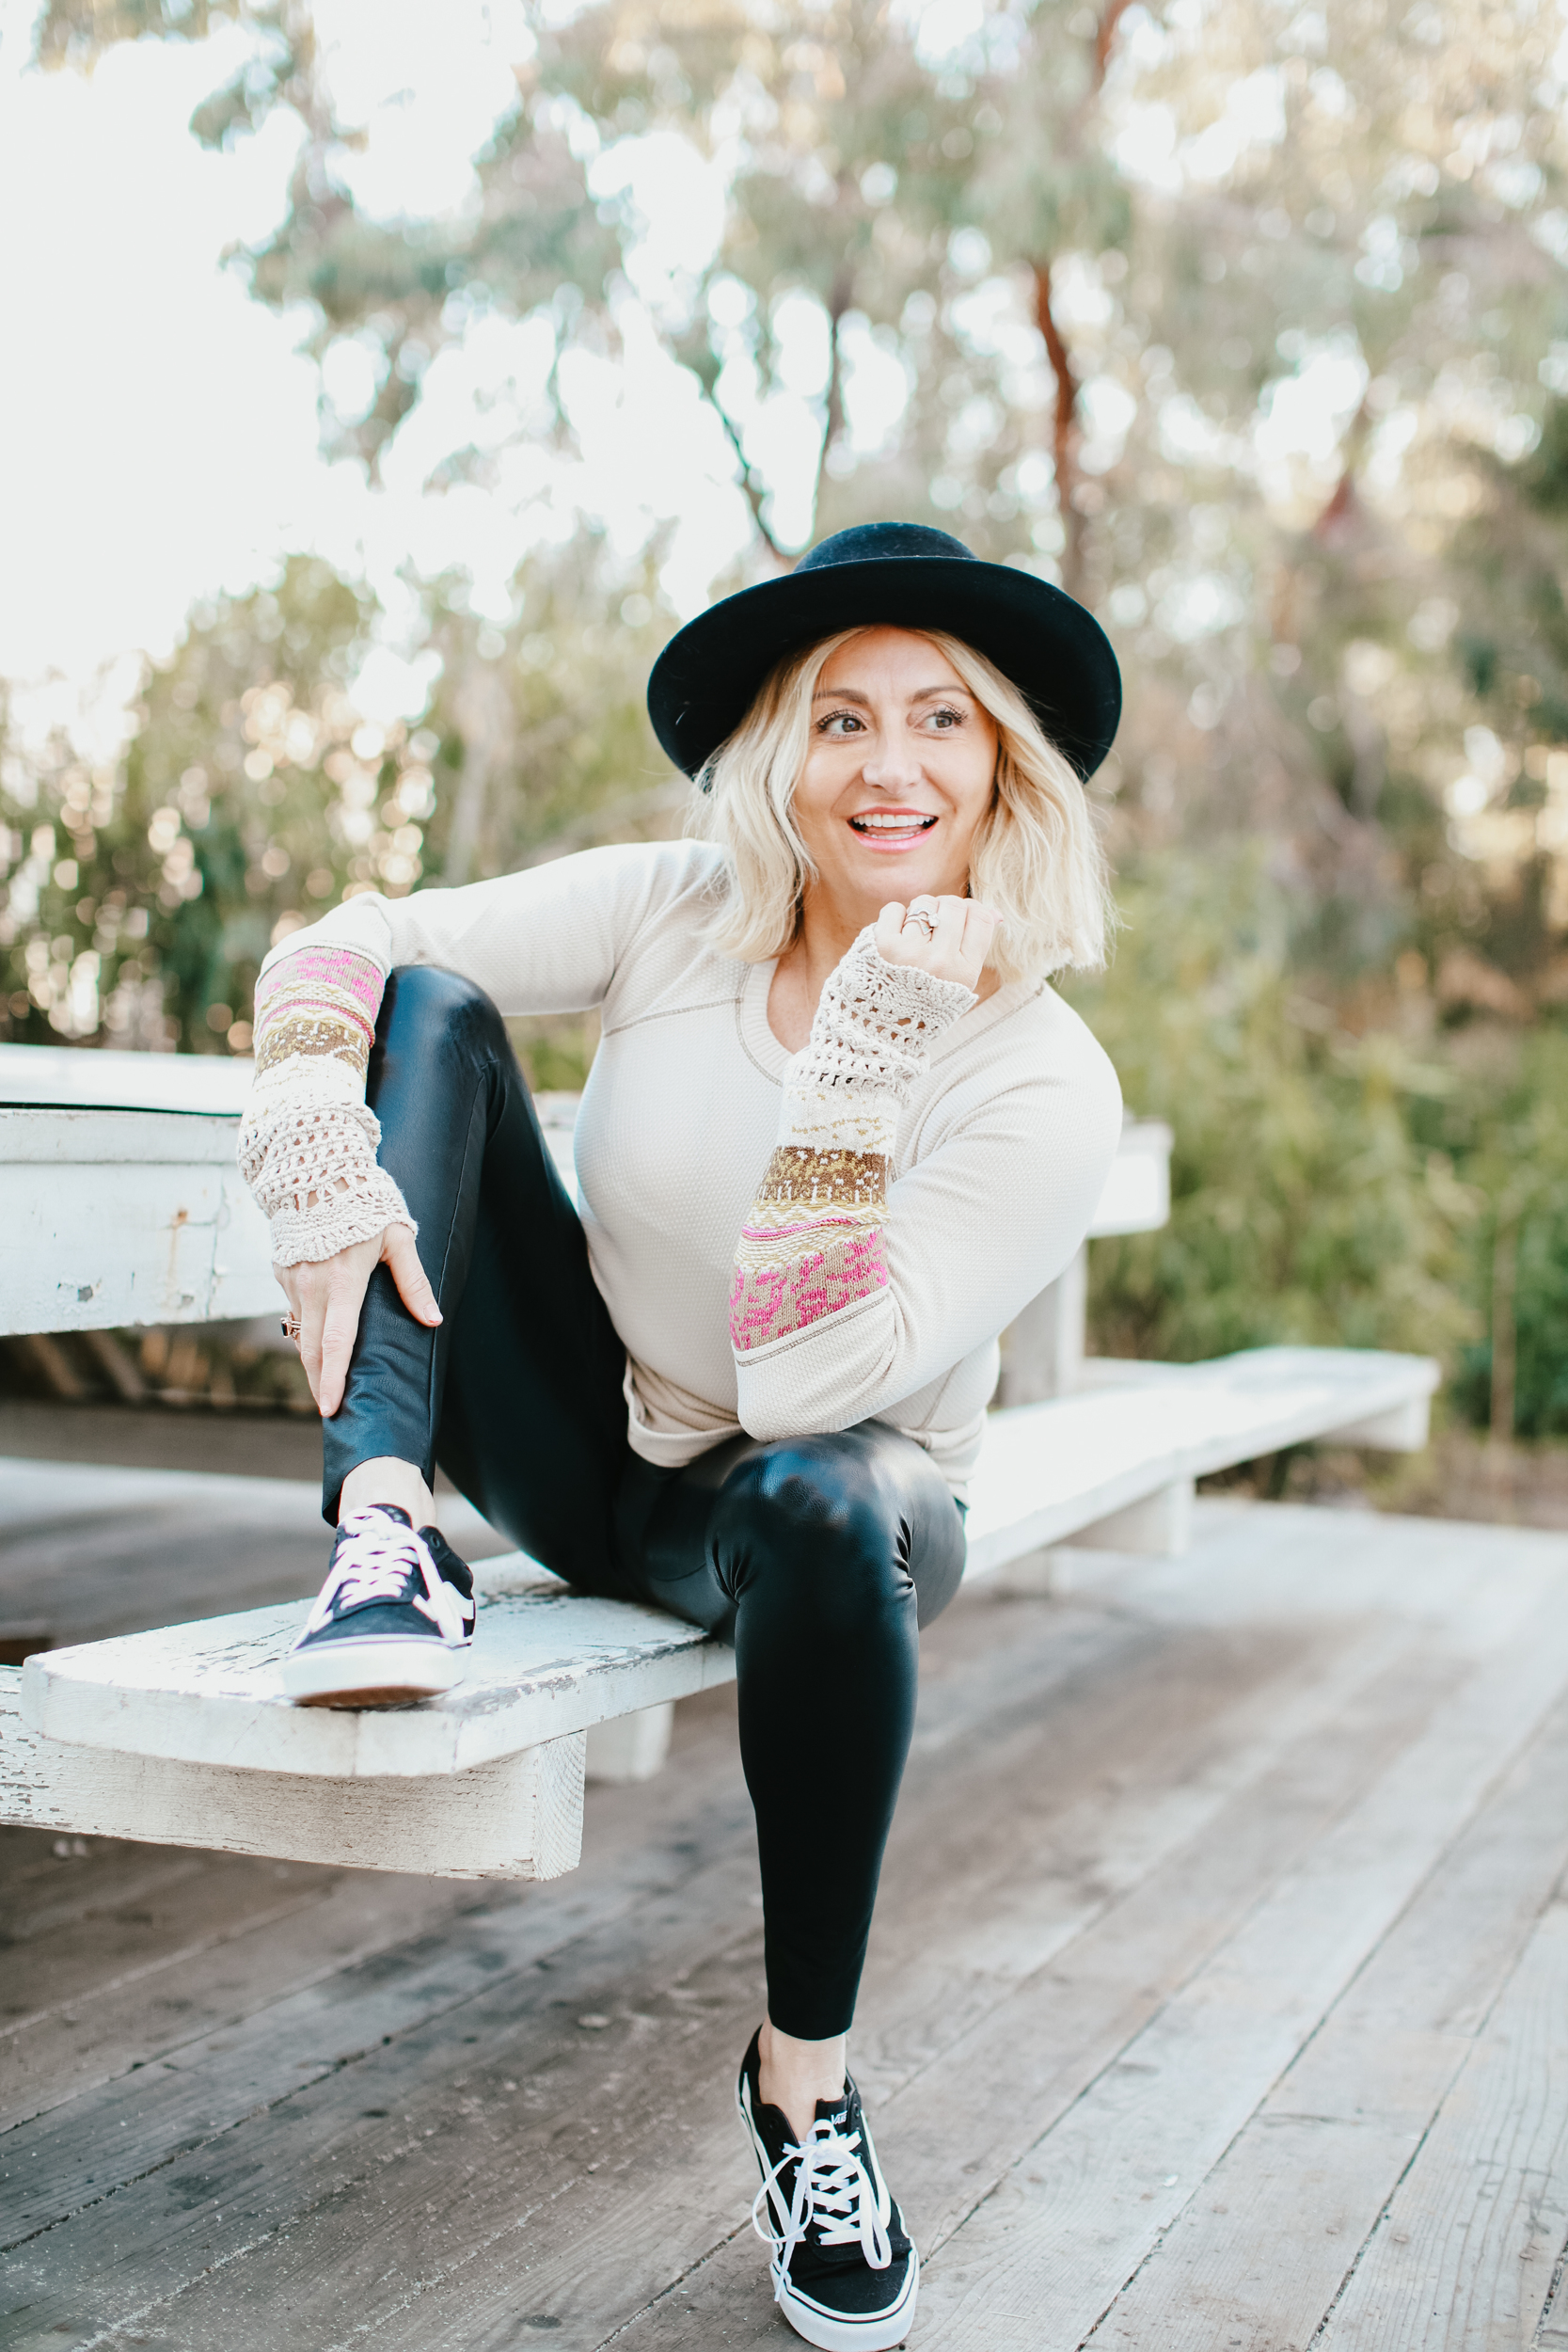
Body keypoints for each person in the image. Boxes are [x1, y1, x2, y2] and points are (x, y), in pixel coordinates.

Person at [237, 520, 1123, 2350]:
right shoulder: (674, 911)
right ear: (779, 755)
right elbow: (356, 936)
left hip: (836, 1510)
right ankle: (382, 1526)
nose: (891, 766)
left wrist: (870, 1038)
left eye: (942, 720)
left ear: (1001, 766)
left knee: (809, 1492)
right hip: (602, 1457)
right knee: (433, 1005)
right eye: (842, 718)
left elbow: (809, 1383)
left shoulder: (1039, 1073)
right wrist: (316, 1138)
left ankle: (807, 2085)